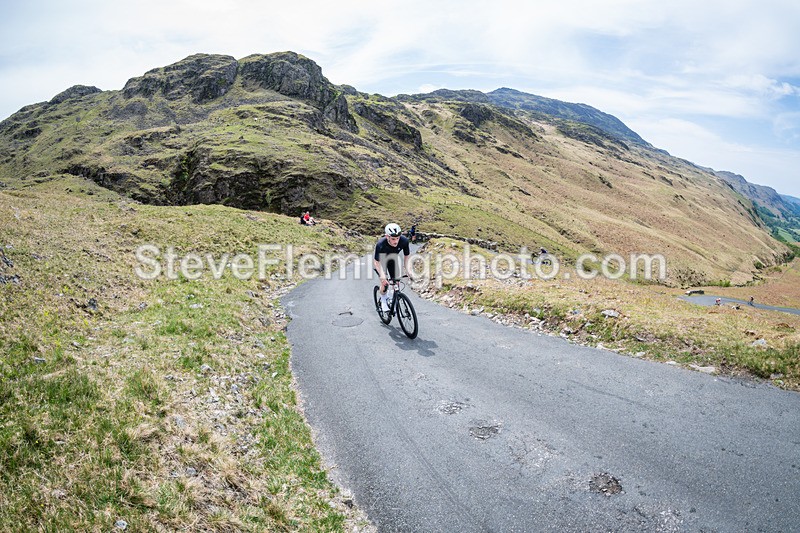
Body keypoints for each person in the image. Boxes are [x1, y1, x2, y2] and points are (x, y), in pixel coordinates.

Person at [374, 223, 411, 312]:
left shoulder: (404, 241)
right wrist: (382, 277)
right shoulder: (381, 244)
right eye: (393, 239)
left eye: (397, 238)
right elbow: (376, 262)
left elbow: (407, 256)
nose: (396, 241)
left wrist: (407, 269)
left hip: (393, 259)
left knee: (396, 282)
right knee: (385, 283)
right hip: (382, 261)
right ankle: (383, 299)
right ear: (387, 237)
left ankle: (392, 298)